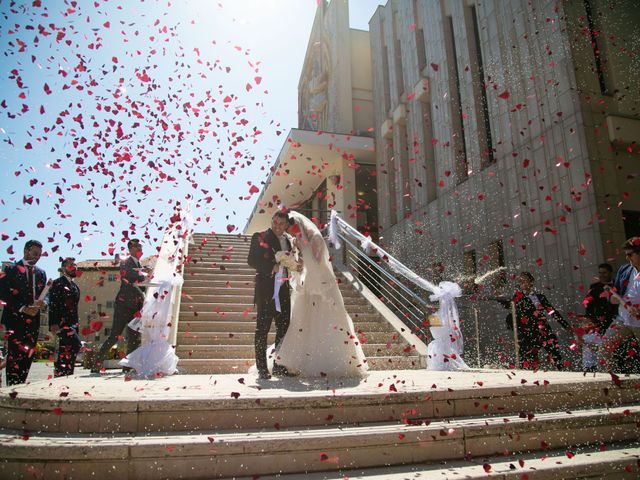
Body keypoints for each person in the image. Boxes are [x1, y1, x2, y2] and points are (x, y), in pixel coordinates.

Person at [274, 211, 368, 379]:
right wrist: (296, 259)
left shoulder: (316, 238)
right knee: (304, 320)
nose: (293, 232)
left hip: (322, 282)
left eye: (293, 227)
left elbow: (318, 262)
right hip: (308, 282)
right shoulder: (298, 240)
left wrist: (303, 248)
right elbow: (303, 262)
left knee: (326, 318)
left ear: (299, 225)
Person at [247, 211, 296, 380]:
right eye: (275, 222)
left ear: (286, 225)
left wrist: (295, 265)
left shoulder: (289, 241)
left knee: (283, 328)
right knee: (262, 329)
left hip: (283, 291)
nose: (277, 226)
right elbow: (252, 260)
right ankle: (262, 368)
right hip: (266, 291)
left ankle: (278, 366)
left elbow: (291, 262)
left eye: (281, 224)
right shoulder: (259, 237)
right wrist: (271, 267)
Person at [91, 239, 147, 373]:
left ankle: (128, 366)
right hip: (124, 306)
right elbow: (130, 276)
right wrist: (145, 274)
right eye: (136, 246)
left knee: (134, 337)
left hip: (136, 306)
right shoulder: (125, 262)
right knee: (115, 335)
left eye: (140, 246)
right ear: (130, 249)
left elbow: (141, 285)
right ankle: (96, 363)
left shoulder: (139, 263)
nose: (139, 248)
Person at [499, 271, 571, 370]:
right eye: (520, 281)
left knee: (555, 354)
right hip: (527, 333)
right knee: (526, 359)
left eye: (525, 281)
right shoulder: (518, 298)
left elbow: (552, 312)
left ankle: (562, 372)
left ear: (531, 283)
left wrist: (566, 325)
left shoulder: (539, 297)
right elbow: (509, 305)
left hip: (543, 330)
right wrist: (501, 299)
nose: (522, 283)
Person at [0, 240, 47, 386]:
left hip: (33, 319)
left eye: (39, 255)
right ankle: (12, 387)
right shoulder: (10, 270)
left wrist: (44, 303)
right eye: (34, 253)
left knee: (28, 354)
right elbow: (4, 294)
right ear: (26, 251)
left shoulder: (41, 273)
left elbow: (44, 294)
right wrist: (22, 308)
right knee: (15, 354)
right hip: (14, 318)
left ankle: (21, 384)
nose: (37, 257)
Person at [598, 237, 640, 372]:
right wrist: (612, 298)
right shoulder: (625, 270)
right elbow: (613, 292)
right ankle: (609, 380)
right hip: (623, 318)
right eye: (626, 255)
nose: (628, 258)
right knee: (604, 347)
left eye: (630, 254)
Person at [579, 263, 617, 371]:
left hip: (616, 320)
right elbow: (589, 307)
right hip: (599, 323)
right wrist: (590, 322)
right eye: (600, 273)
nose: (602, 275)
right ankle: (592, 369)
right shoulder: (595, 288)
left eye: (604, 273)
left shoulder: (617, 285)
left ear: (610, 273)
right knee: (594, 347)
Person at [48, 257, 82, 377]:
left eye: (75, 266)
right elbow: (53, 304)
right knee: (75, 345)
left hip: (73, 325)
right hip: (61, 325)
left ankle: (66, 375)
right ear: (63, 268)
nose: (74, 268)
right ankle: (60, 372)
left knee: (69, 351)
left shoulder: (75, 286)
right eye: (71, 265)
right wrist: (53, 323)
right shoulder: (58, 283)